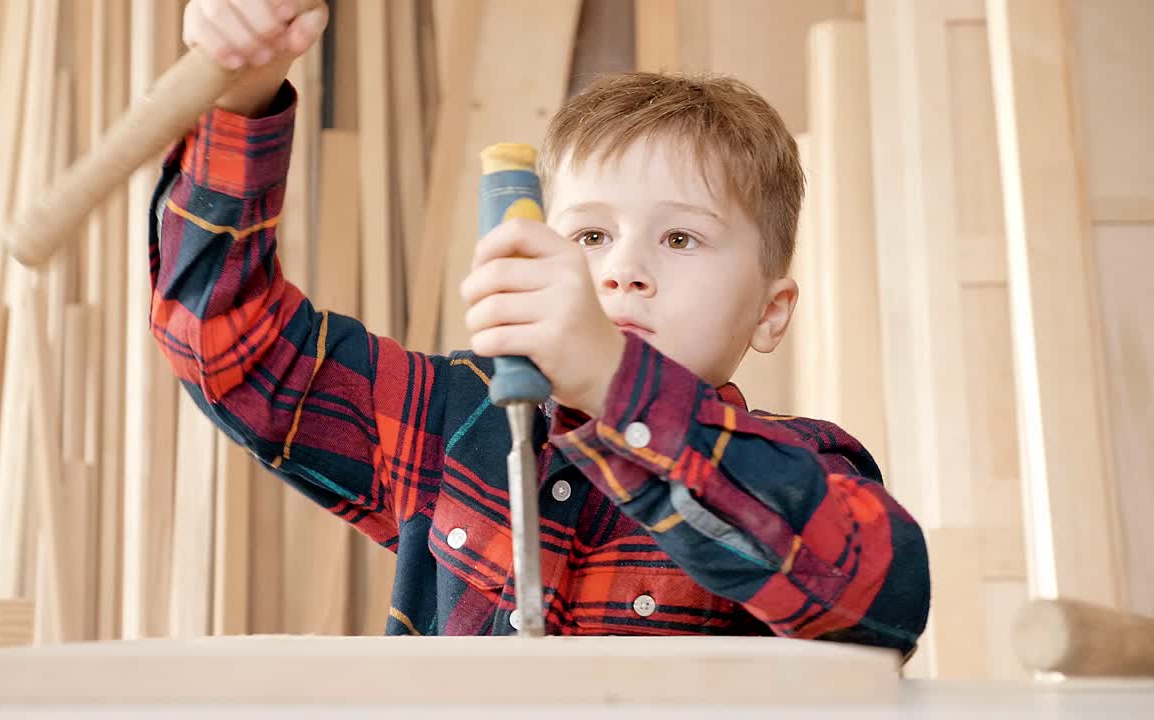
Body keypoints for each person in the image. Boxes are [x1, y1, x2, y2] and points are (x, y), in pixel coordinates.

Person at [154, 0, 929, 656]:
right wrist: (243, 91)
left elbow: (876, 594)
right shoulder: (452, 420)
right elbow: (230, 347)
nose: (623, 272)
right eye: (590, 237)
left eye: (681, 238)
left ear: (772, 312)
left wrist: (617, 382)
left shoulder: (806, 465)